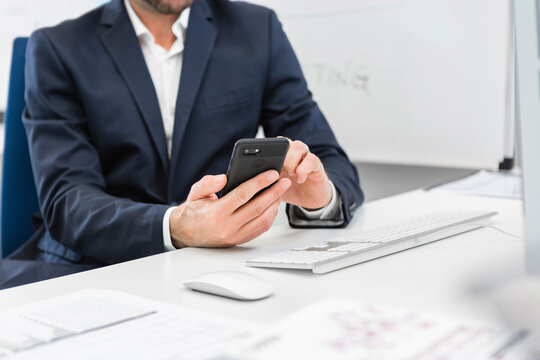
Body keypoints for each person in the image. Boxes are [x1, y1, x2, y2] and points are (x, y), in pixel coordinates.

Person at [0, 0, 363, 288]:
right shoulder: (59, 47)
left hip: (219, 268)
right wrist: (176, 225)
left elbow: (326, 155)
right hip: (91, 268)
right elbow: (67, 201)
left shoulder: (257, 30)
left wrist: (319, 200)